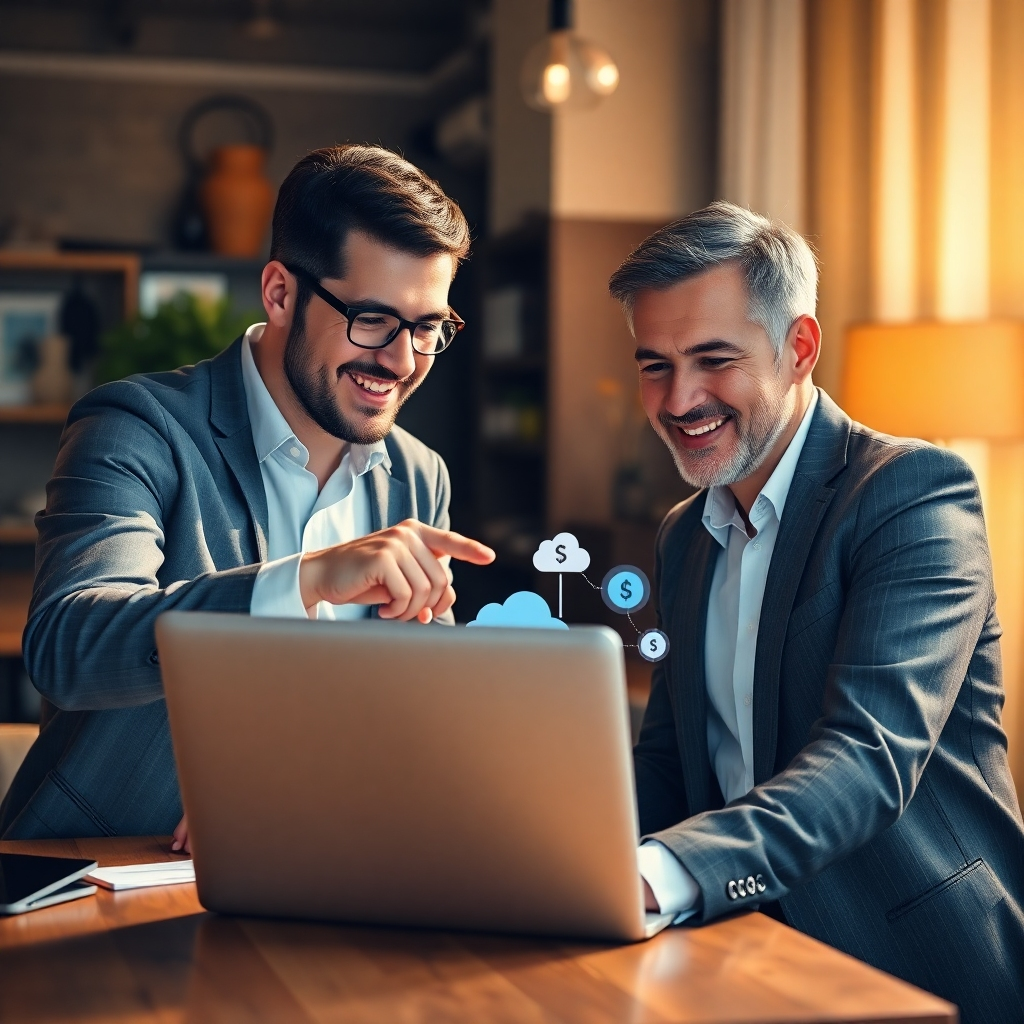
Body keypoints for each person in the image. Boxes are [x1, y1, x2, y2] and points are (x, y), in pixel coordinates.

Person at [0, 145, 494, 845]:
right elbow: (67, 646)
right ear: (281, 293)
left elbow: (405, 707)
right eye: (373, 320)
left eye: (427, 328)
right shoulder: (138, 427)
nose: (404, 360)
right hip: (105, 870)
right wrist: (308, 579)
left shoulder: (419, 475)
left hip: (319, 861)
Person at [613, 201, 1024, 1023]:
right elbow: (671, 760)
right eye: (654, 364)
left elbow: (867, 757)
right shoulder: (684, 535)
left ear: (799, 348)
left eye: (713, 359)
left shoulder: (914, 496)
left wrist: (659, 872)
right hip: (739, 949)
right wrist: (550, 849)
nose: (679, 396)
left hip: (906, 959)